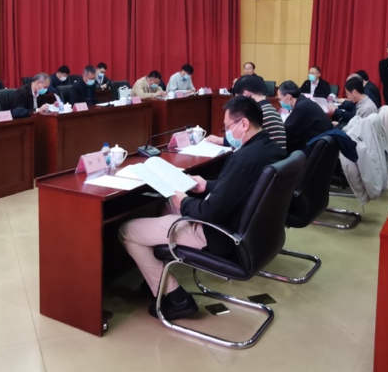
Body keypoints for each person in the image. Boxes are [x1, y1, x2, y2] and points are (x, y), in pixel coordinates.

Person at [118, 96, 286, 320]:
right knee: (166, 205)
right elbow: (240, 187)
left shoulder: (243, 158)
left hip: (220, 234)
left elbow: (209, 212)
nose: (226, 133)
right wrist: (207, 185)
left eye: (227, 127)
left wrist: (184, 202)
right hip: (252, 231)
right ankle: (156, 277)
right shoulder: (271, 149)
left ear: (244, 124)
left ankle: (177, 299)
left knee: (127, 231)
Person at [206, 75, 287, 151]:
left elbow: (243, 140)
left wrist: (220, 140)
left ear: (246, 95)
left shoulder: (258, 113)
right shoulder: (269, 108)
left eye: (238, 98)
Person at [278, 79, 331, 151]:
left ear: (288, 97)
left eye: (280, 99)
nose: (280, 102)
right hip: (321, 144)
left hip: (315, 147)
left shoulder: (301, 106)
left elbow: (287, 132)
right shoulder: (305, 102)